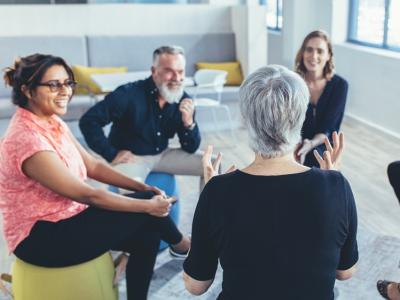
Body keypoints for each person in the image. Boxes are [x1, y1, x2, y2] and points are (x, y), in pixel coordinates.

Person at [0, 54, 191, 300]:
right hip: (40, 239)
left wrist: (141, 186)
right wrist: (146, 204)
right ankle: (183, 246)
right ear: (28, 90)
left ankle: (175, 253)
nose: (65, 91)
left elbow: (92, 166)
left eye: (68, 83)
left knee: (149, 228)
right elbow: (87, 194)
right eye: (54, 84)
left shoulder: (50, 121)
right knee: (147, 213)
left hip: (66, 219)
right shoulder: (26, 138)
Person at [182, 65, 358, 300]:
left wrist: (210, 200)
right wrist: (331, 183)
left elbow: (196, 286)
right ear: (301, 117)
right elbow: (344, 272)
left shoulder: (217, 192)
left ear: (245, 119)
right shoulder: (337, 186)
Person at [79, 45, 205, 191]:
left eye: (180, 71)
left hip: (163, 155)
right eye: (169, 71)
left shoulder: (184, 100)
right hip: (133, 159)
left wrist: (188, 123)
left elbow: (191, 148)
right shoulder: (128, 94)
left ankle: (209, 213)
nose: (176, 78)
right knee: (136, 199)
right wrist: (111, 153)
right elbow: (88, 121)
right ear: (154, 71)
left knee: (212, 165)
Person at [294, 30, 348, 167]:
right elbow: (289, 121)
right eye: (309, 50)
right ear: (303, 53)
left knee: (317, 160)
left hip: (324, 144)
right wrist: (298, 145)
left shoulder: (340, 85)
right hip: (296, 141)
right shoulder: (293, 82)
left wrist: (310, 144)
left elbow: (328, 128)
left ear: (328, 55)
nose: (314, 56)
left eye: (320, 51)